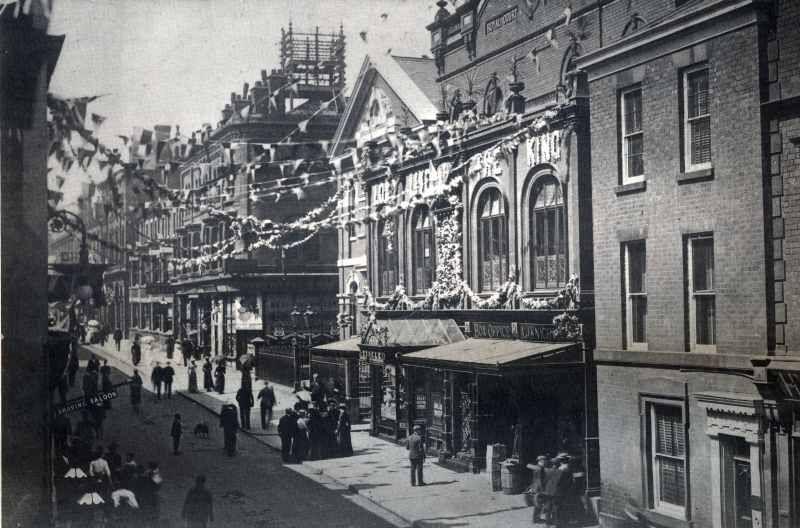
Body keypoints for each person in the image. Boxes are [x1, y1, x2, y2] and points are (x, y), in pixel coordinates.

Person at [545, 453, 573, 528]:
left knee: (557, 508)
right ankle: (560, 524)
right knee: (560, 508)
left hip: (557, 492)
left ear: (561, 461)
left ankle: (558, 524)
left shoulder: (560, 469)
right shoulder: (567, 468)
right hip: (562, 492)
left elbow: (555, 482)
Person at [528, 455, 551, 523]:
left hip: (536, 487)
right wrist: (543, 489)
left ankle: (535, 519)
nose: (546, 462)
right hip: (539, 488)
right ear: (541, 461)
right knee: (540, 503)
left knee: (537, 504)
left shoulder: (537, 467)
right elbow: (539, 480)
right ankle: (536, 519)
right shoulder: (540, 468)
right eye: (544, 460)